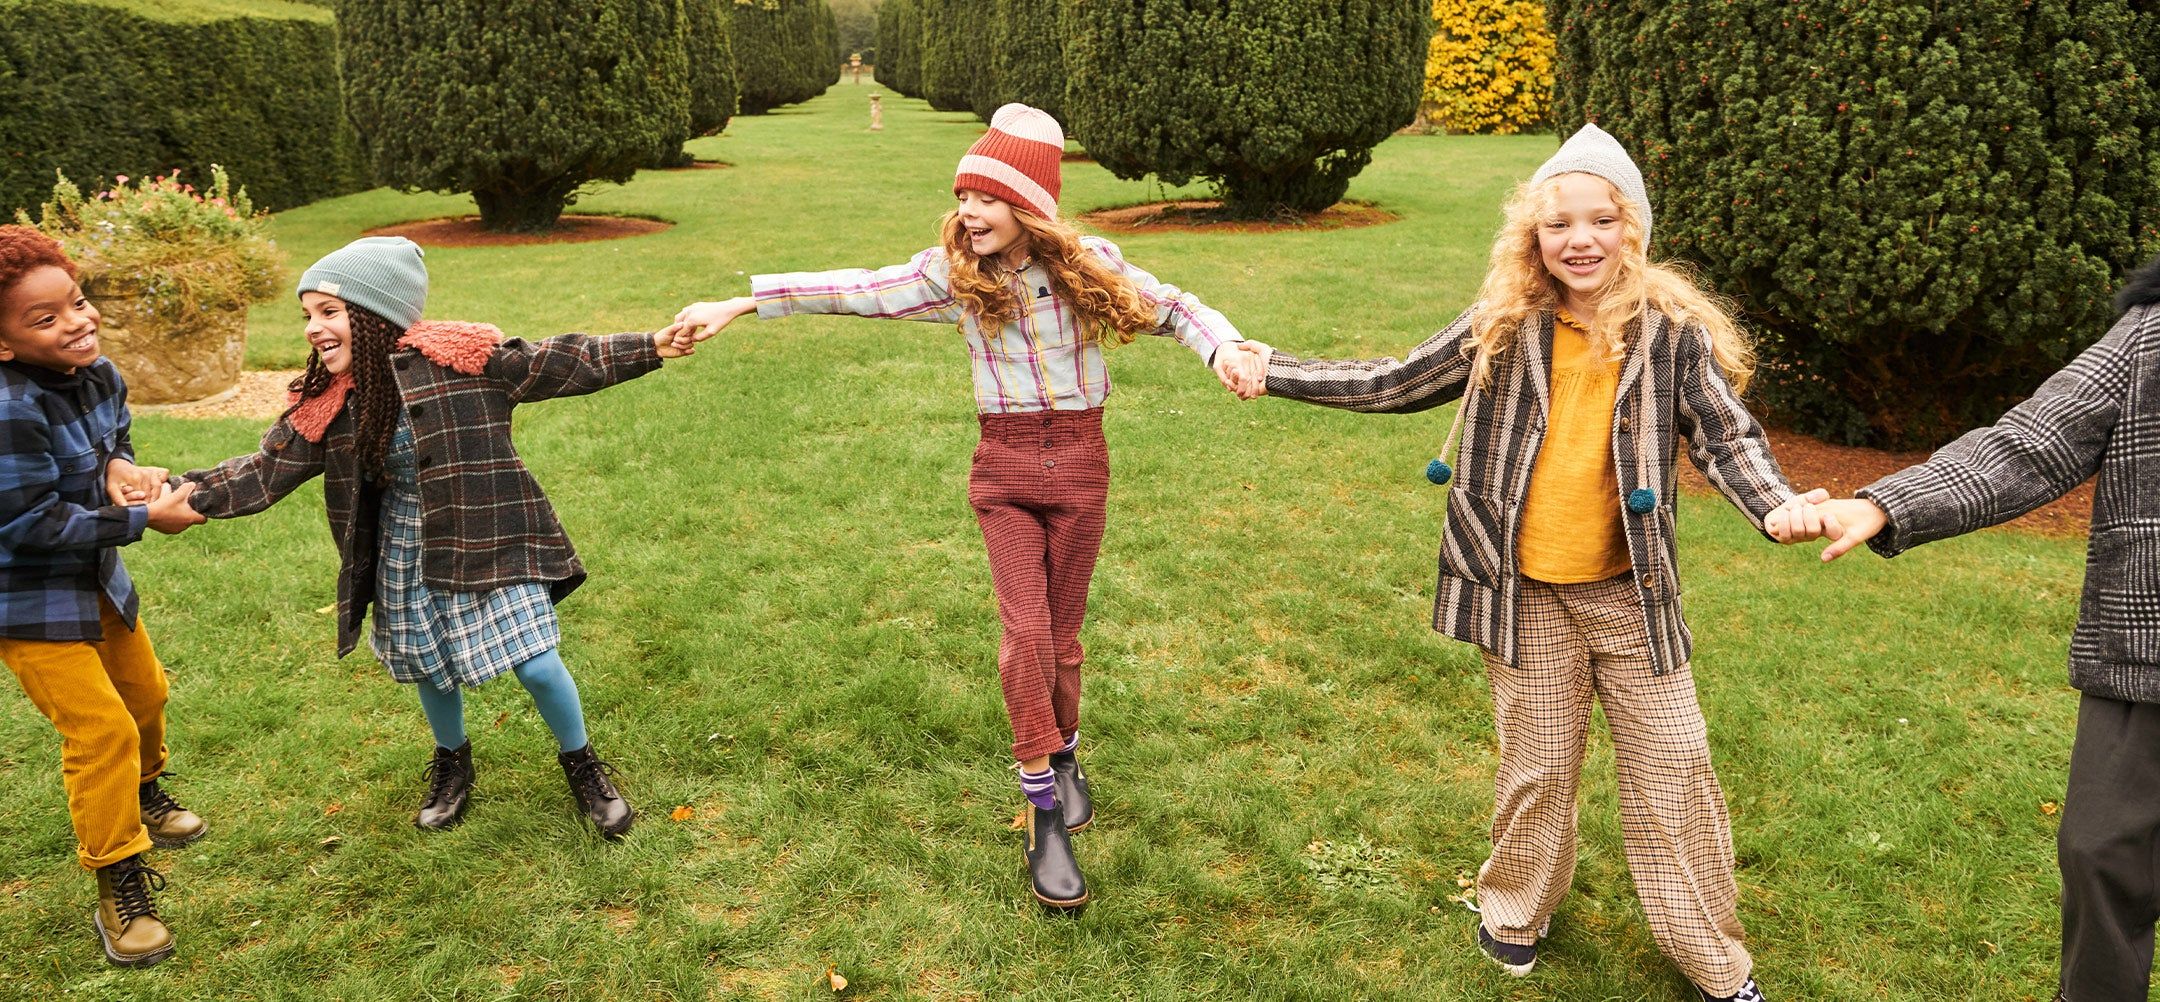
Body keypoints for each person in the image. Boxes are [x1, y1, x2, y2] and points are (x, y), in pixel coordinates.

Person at [1227, 126, 1817, 1000]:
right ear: (1532, 238)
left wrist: (1777, 503)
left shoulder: (1670, 337)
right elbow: (1393, 381)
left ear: (1633, 230)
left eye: (1600, 220)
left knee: (1677, 765)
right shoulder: (1503, 329)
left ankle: (1713, 959)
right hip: (1523, 595)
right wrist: (1276, 369)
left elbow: (1728, 438)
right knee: (1538, 763)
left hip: (1631, 596)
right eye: (1557, 224)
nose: (1580, 240)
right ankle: (1514, 907)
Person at [667, 103, 1267, 909]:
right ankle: (1044, 812)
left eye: (986, 197)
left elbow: (1179, 308)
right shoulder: (953, 277)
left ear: (1027, 207)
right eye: (962, 195)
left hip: (1083, 464)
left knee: (1062, 640)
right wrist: (740, 304)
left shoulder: (1090, 269)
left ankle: (1065, 753)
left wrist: (1225, 345)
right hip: (1005, 472)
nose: (968, 212)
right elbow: (854, 289)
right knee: (1024, 636)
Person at [181, 236, 702, 840]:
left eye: (330, 311)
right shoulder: (332, 398)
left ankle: (582, 763)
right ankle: (453, 762)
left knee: (536, 663)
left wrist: (651, 345)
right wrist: (189, 493)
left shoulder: (461, 357)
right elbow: (268, 466)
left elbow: (560, 360)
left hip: (489, 530)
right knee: (428, 665)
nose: (313, 329)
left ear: (375, 314)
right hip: (404, 545)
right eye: (308, 315)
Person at [1769, 254, 2160, 1002]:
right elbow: (2029, 442)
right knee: (2099, 852)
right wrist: (1887, 503)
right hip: (2145, 644)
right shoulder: (2151, 334)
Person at [0, 224, 206, 967]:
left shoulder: (100, 372)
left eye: (77, 302)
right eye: (44, 319)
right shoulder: (8, 408)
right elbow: (27, 521)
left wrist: (122, 467)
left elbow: (112, 435)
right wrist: (143, 515)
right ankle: (117, 876)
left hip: (96, 580)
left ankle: (146, 792)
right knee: (100, 733)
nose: (77, 322)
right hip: (28, 603)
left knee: (146, 695)